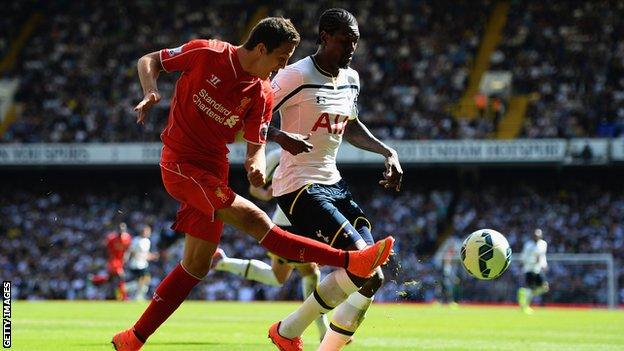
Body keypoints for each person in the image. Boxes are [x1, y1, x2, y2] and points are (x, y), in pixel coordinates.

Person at [111, 17, 394, 351]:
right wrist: (151, 90)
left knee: (196, 265)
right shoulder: (206, 52)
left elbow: (256, 145)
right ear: (261, 49)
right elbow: (151, 60)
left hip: (214, 171)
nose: (282, 67)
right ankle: (349, 261)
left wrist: (256, 166)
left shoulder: (260, 92)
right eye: (281, 58)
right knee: (257, 221)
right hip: (181, 165)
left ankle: (134, 338)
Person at [266, 9, 403, 351]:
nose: (351, 49)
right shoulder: (294, 76)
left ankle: (292, 334)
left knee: (373, 275)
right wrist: (282, 138)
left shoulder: (351, 78)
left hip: (333, 182)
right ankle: (286, 330)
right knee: (361, 261)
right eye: (345, 42)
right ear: (325, 36)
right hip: (299, 187)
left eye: (355, 42)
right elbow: (249, 116)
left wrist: (388, 153)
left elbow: (351, 125)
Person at [212, 148, 329, 339]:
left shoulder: (320, 150)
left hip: (300, 221)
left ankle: (223, 262)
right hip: (288, 223)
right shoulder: (276, 156)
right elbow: (254, 188)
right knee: (310, 272)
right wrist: (267, 194)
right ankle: (323, 331)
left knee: (278, 277)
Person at [517, 228, 549, 314]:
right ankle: (525, 306)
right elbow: (524, 256)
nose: (536, 237)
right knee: (530, 287)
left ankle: (523, 294)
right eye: (535, 235)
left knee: (544, 287)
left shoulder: (543, 244)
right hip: (529, 268)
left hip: (538, 269)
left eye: (538, 235)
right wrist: (531, 261)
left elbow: (542, 256)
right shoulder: (528, 245)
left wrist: (544, 264)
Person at [126, 225, 157, 301]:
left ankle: (136, 294)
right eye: (147, 231)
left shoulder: (147, 241)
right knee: (144, 279)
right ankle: (127, 289)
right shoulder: (136, 240)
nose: (148, 233)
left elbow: (146, 254)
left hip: (143, 263)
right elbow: (131, 251)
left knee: (144, 280)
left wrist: (152, 256)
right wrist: (137, 257)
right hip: (136, 264)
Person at [103, 222, 132, 301]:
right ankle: (123, 296)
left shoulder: (127, 238)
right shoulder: (111, 238)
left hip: (121, 262)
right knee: (121, 277)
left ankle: (111, 295)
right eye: (120, 229)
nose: (121, 231)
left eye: (123, 229)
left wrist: (126, 256)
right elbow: (106, 249)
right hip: (114, 261)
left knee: (112, 279)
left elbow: (128, 249)